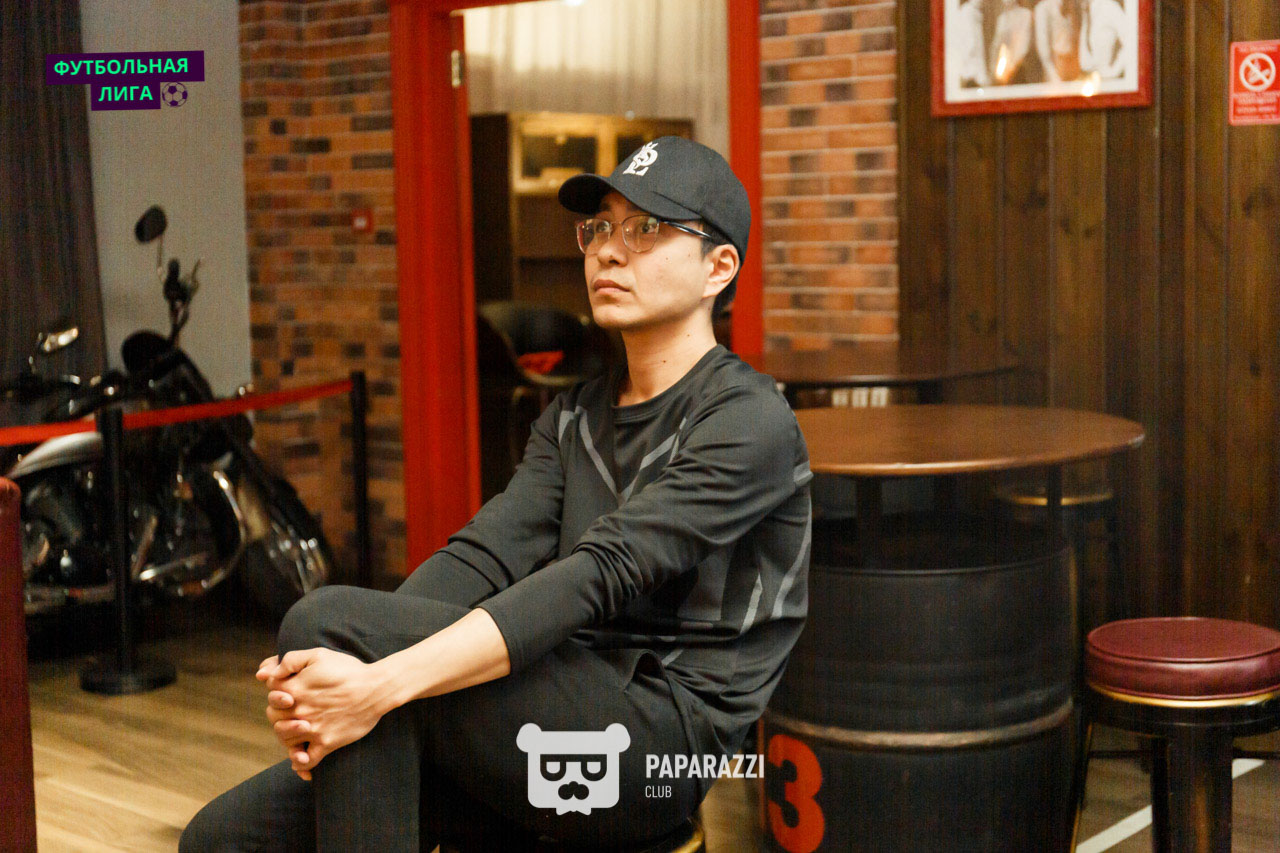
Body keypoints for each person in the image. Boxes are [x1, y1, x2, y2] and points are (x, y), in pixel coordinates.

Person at [180, 136, 813, 852]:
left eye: (645, 229)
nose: (608, 252)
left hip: (658, 750)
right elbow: (481, 557)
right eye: (600, 228)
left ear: (717, 267)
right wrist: (356, 665)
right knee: (221, 839)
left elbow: (602, 570)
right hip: (540, 709)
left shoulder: (749, 419)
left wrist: (379, 676)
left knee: (329, 623)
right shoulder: (573, 417)